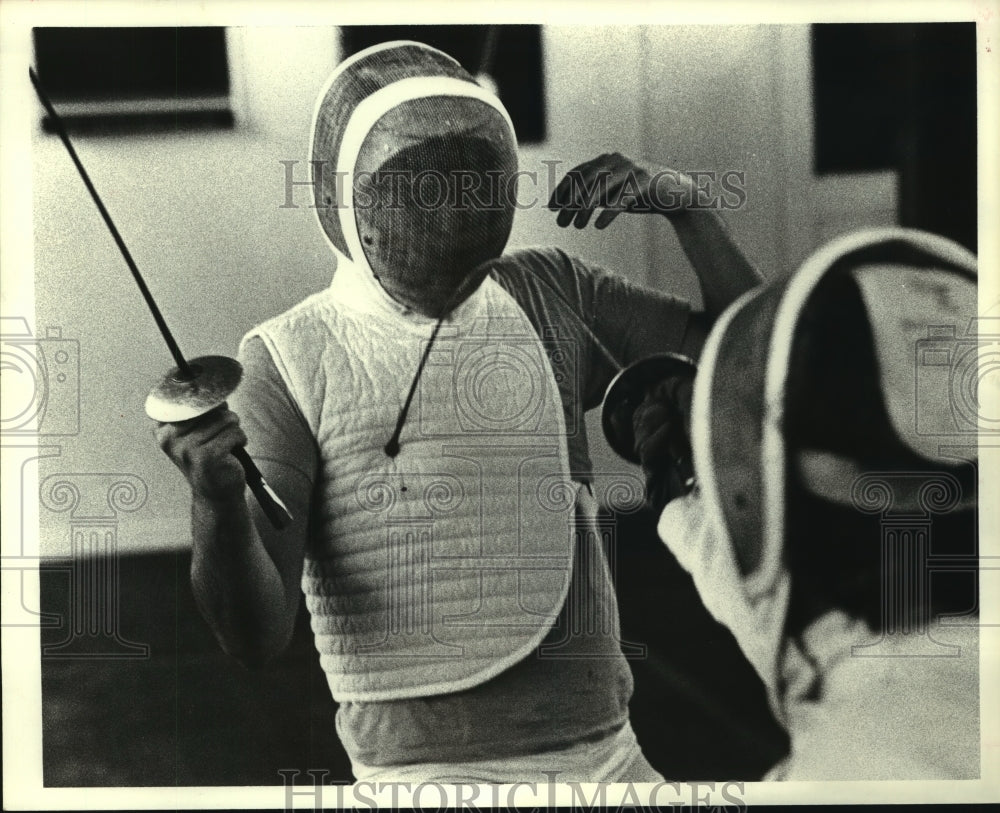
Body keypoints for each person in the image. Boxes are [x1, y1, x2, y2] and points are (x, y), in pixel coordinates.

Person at [154, 40, 762, 783]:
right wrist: (216, 504)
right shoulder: (287, 359)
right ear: (347, 194)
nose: (446, 203)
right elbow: (255, 634)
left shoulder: (550, 291)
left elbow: (753, 358)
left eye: (466, 178)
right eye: (416, 182)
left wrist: (685, 205)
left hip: (609, 760)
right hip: (419, 781)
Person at [632, 227, 980, 779]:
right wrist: (681, 505)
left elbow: (781, 595)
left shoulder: (851, 764)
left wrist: (684, 489)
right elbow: (780, 610)